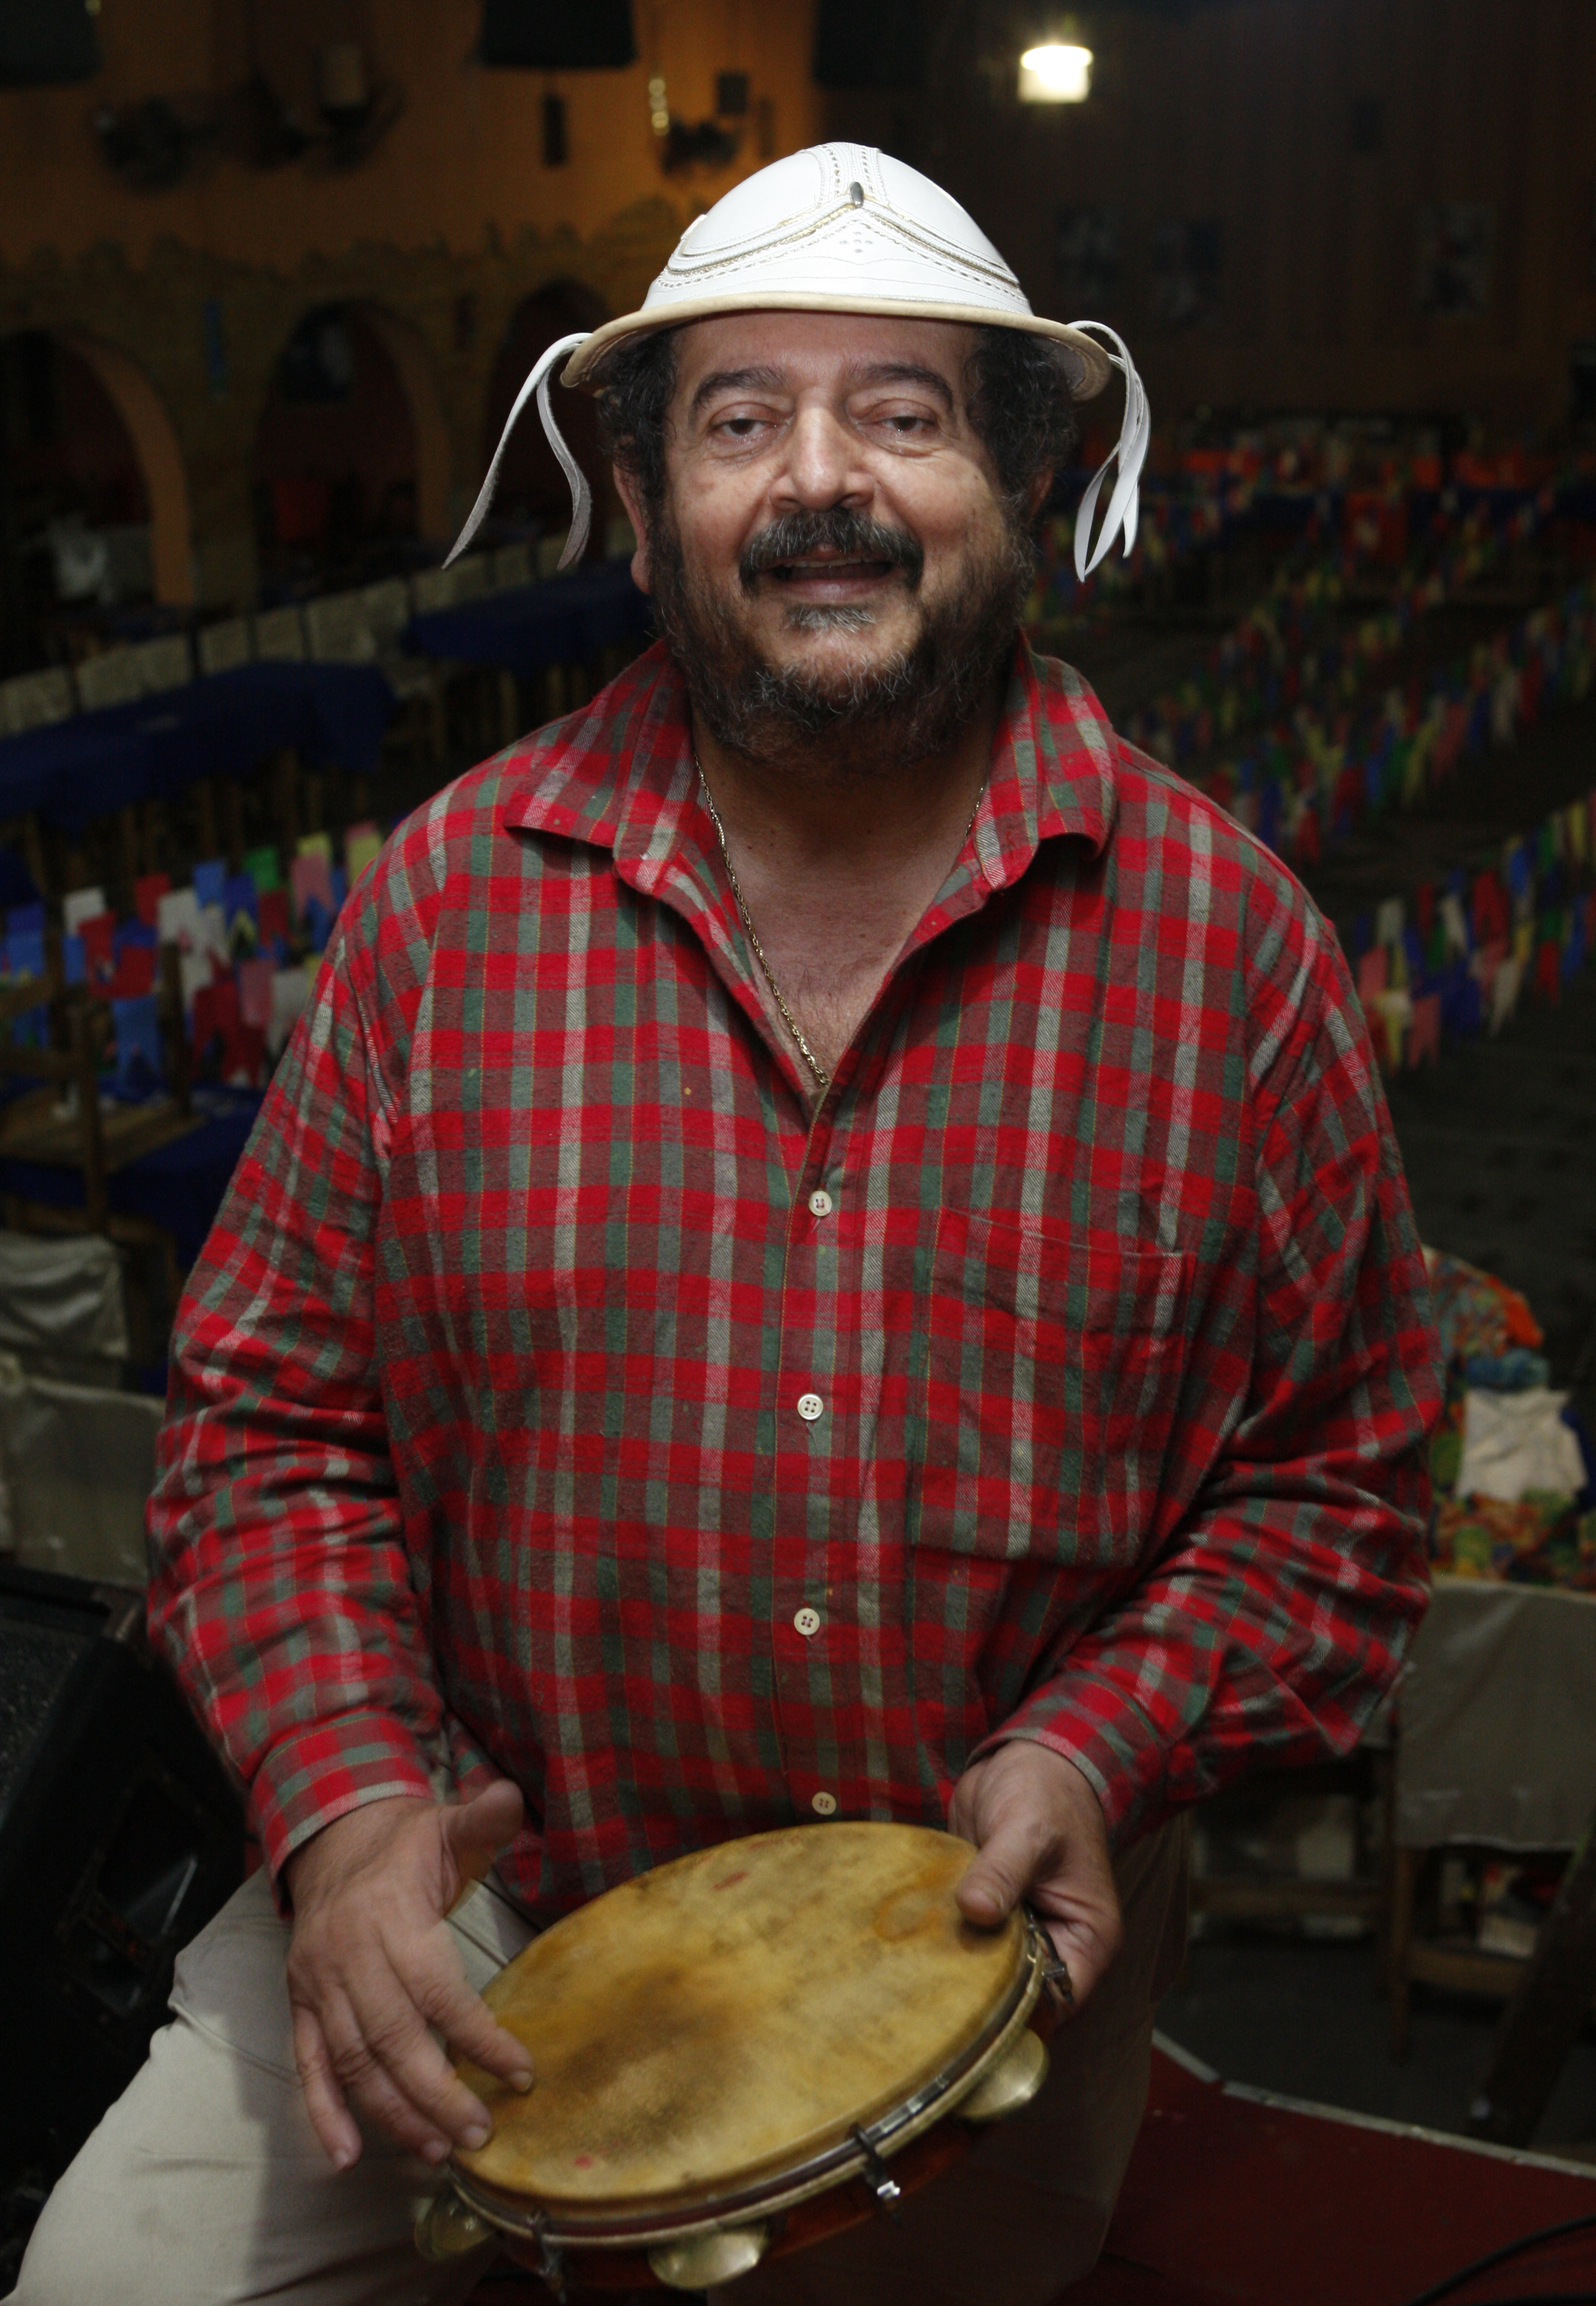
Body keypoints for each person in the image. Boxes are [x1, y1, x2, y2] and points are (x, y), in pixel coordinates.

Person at [15, 142, 1439, 2306]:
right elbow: (264, 1435)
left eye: (905, 412)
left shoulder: (1228, 950)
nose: (821, 482)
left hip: (965, 1939)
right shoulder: (441, 909)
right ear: (653, 497)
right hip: (475, 1875)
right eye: (742, 417)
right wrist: (345, 1813)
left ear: (1018, 478)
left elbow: (1339, 1481)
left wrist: (1101, 1739)